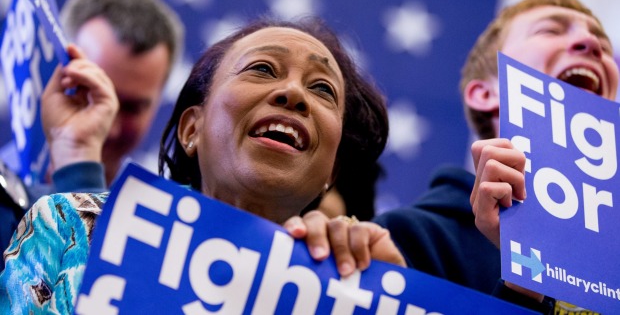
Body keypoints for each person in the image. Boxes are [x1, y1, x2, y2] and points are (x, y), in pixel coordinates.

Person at [0, 16, 405, 313]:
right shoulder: (68, 226)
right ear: (191, 129)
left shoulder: (352, 291)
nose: (293, 93)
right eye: (262, 68)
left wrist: (388, 298)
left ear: (330, 174)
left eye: (322, 89)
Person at [373, 0, 617, 313]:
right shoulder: (409, 239)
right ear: (485, 92)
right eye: (550, 30)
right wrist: (526, 270)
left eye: (603, 43)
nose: (591, 43)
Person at [0, 0, 183, 264]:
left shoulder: (162, 231)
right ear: (56, 71)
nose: (108, 125)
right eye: (89, 93)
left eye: (132, 107)